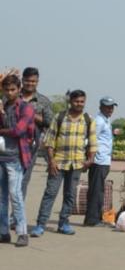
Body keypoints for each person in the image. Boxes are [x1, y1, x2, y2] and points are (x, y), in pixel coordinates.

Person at [31, 90, 97, 236]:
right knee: (50, 193)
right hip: (58, 163)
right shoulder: (59, 117)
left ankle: (64, 223)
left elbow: (93, 142)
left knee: (70, 195)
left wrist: (90, 160)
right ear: (70, 101)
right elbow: (49, 141)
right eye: (76, 101)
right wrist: (51, 161)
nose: (79, 104)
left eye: (82, 101)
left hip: (77, 164)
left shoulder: (88, 119)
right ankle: (41, 224)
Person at [0, 72, 36, 246]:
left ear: (19, 89)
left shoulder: (26, 108)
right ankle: (4, 232)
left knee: (15, 195)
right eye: (6, 89)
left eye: (13, 89)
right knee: (1, 197)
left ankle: (22, 233)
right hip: (1, 157)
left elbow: (18, 131)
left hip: (16, 158)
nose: (9, 93)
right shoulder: (3, 106)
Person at [19, 67, 53, 197]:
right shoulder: (11, 96)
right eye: (27, 81)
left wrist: (30, 114)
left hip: (30, 146)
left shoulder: (43, 101)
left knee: (23, 179)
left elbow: (50, 123)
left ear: (37, 82)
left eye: (33, 81)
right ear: (22, 80)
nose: (30, 83)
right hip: (9, 145)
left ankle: (16, 216)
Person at [84, 97, 117, 226]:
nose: (110, 109)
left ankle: (96, 217)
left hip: (104, 160)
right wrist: (89, 158)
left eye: (112, 107)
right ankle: (92, 220)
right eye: (107, 107)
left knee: (99, 190)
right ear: (101, 107)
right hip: (98, 161)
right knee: (96, 191)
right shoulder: (98, 121)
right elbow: (90, 140)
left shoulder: (106, 120)